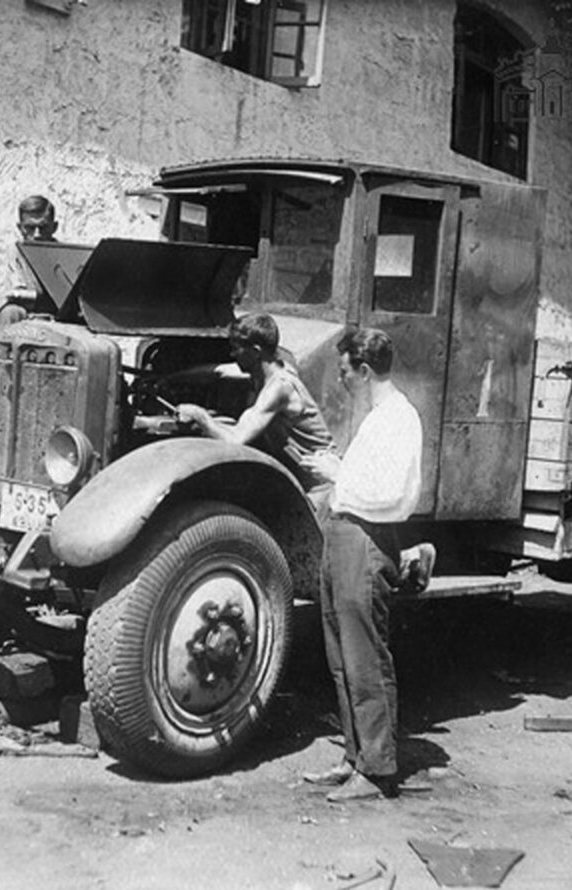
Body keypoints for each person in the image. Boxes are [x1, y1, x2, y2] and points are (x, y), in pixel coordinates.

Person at [297, 328, 423, 802]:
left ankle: (376, 769)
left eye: (347, 371)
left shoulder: (399, 418)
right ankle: (354, 756)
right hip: (344, 533)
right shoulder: (376, 417)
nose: (343, 379)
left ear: (365, 370)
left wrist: (338, 473)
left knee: (366, 658)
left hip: (366, 540)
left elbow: (393, 494)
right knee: (340, 658)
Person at [175, 313, 335, 495]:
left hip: (321, 484)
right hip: (301, 477)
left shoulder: (279, 387)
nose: (232, 354)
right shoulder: (269, 368)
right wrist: (169, 378)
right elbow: (218, 371)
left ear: (256, 351)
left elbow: (236, 440)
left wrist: (199, 415)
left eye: (236, 349)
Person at [0, 194, 60, 327]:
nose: (37, 234)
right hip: (25, 314)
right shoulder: (16, 252)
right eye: (30, 228)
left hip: (56, 314)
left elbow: (62, 299)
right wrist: (15, 296)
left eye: (43, 227)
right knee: (9, 313)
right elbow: (19, 291)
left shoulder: (64, 254)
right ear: (20, 228)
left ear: (54, 227)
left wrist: (8, 297)